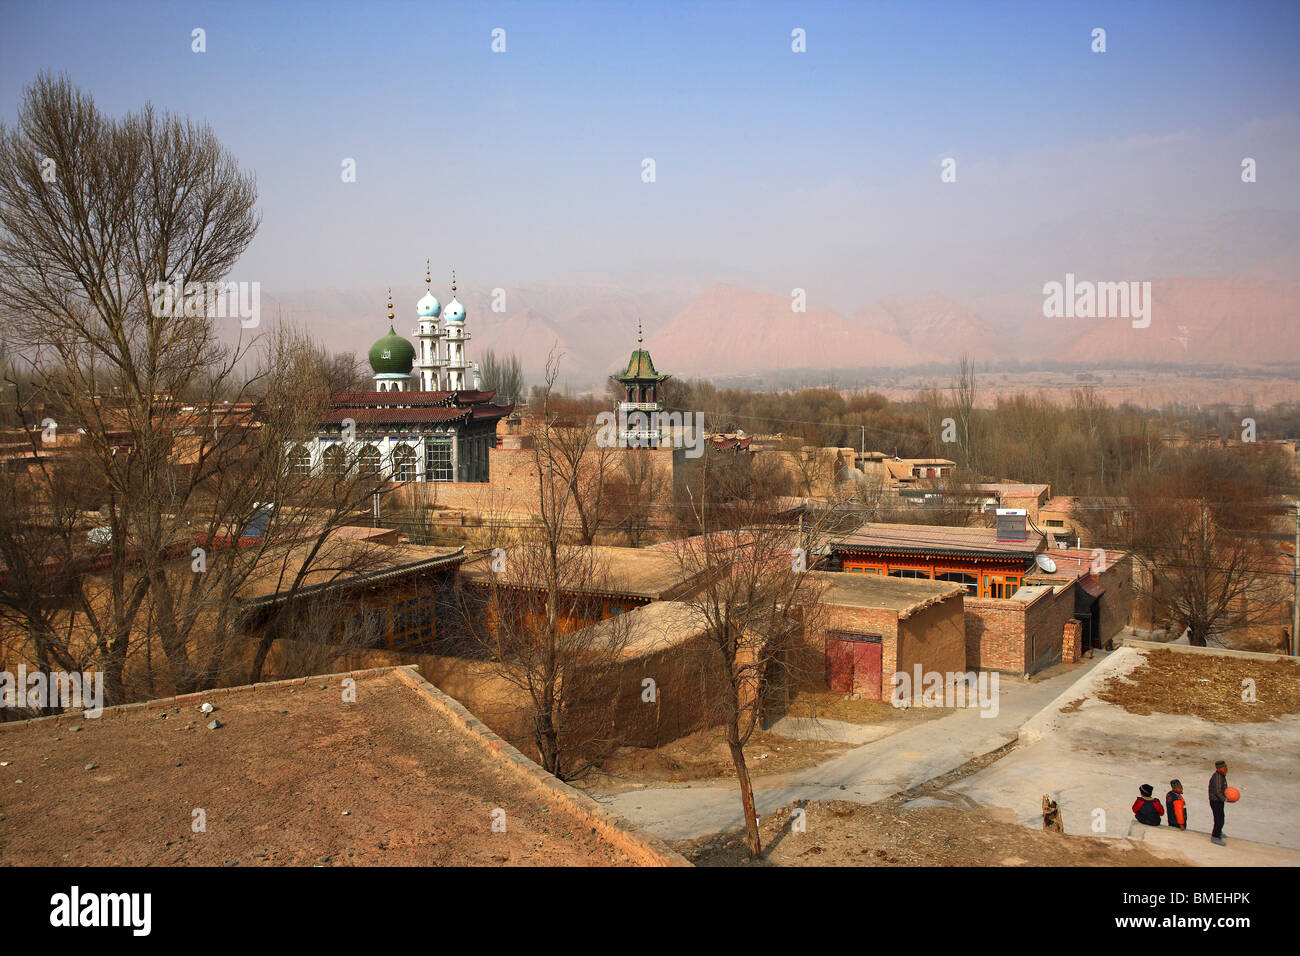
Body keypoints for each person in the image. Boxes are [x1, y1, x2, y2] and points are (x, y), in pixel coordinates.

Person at [1209, 760, 1228, 845]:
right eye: (1223, 768)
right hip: (1215, 801)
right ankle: (1215, 836)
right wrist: (1225, 799)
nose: (1225, 770)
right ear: (1219, 769)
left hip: (1219, 801)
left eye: (1226, 768)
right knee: (1219, 819)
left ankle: (1219, 832)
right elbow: (1217, 792)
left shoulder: (1221, 775)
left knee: (1221, 817)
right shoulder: (1217, 778)